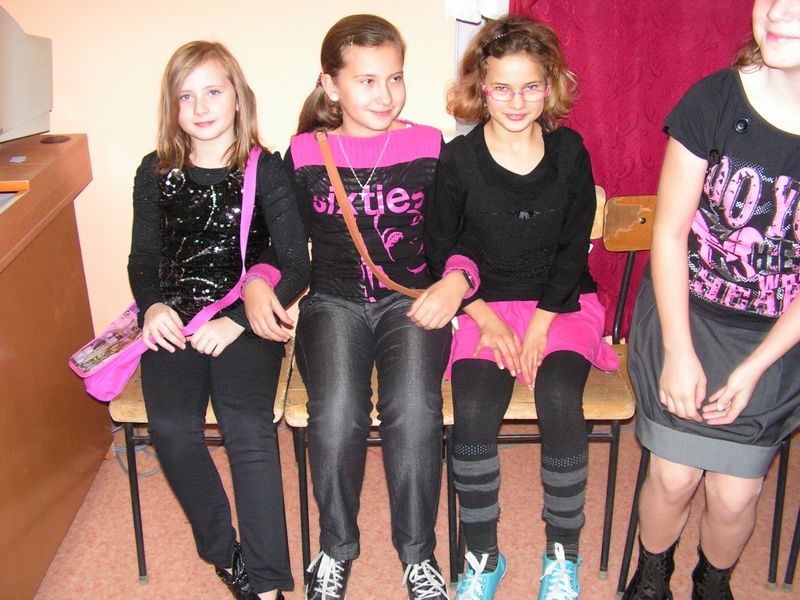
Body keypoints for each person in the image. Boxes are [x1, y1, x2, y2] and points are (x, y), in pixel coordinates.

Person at [244, 13, 475, 600]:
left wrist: (456, 281)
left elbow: (460, 233)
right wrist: (259, 280)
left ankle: (418, 555)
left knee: (414, 408)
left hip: (411, 302)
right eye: (367, 80)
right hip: (334, 302)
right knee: (337, 410)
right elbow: (280, 243)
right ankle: (336, 547)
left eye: (394, 78)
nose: (385, 95)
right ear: (330, 85)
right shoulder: (304, 153)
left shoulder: (430, 145)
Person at [421, 15, 620, 600]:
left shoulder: (569, 151)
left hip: (563, 304)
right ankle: (482, 555)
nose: (516, 101)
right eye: (502, 87)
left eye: (531, 86)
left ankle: (563, 555)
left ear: (550, 85)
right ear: (481, 88)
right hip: (483, 305)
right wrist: (484, 317)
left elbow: (572, 249)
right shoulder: (458, 159)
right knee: (473, 412)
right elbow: (440, 249)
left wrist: (539, 327)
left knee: (558, 398)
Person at [621, 1, 800, 598]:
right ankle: (652, 575)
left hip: (776, 337)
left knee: (734, 494)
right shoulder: (714, 100)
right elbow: (670, 234)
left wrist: (754, 368)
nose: (779, 12)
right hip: (686, 313)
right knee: (673, 476)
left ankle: (711, 583)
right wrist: (679, 352)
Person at [127, 41, 309, 600]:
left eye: (212, 91)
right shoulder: (155, 171)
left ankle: (269, 582)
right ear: (172, 107)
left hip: (243, 321)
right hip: (174, 321)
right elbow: (143, 260)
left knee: (247, 427)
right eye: (186, 96)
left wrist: (237, 321)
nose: (201, 107)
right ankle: (225, 553)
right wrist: (153, 305)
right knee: (172, 429)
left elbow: (296, 267)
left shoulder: (266, 169)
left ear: (238, 97)